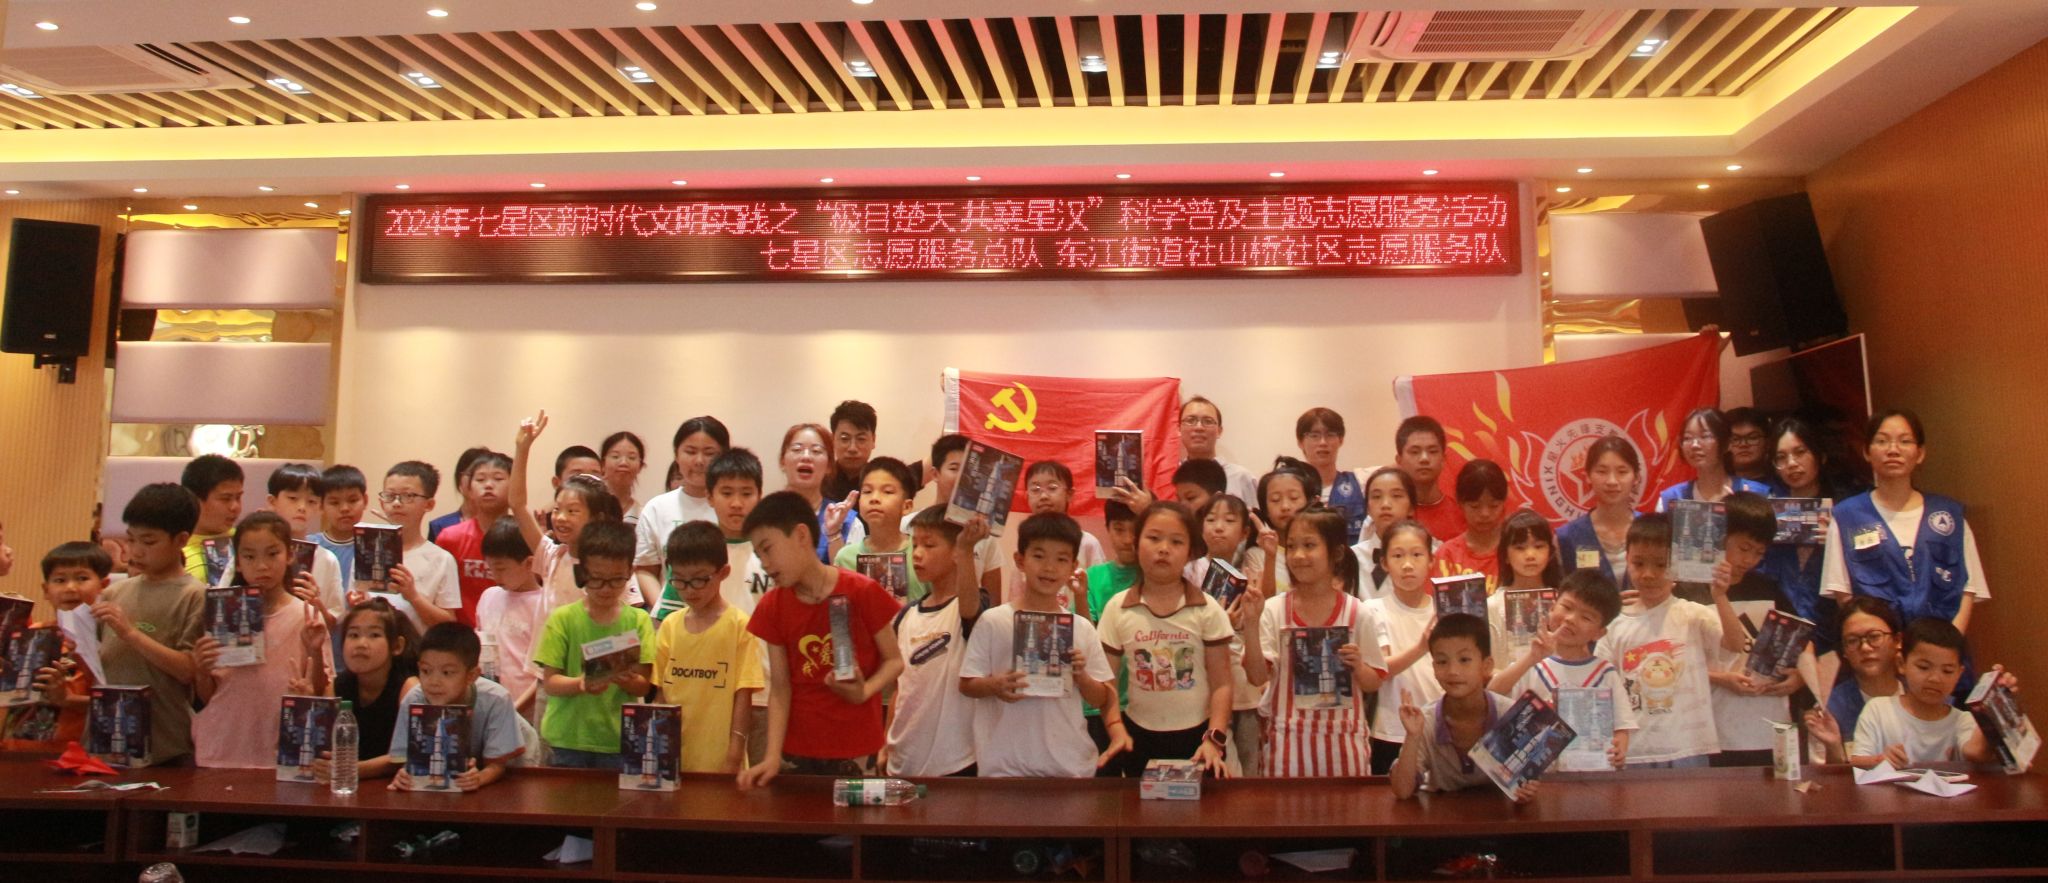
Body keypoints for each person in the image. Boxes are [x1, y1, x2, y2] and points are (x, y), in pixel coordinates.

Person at [736, 491, 904, 787]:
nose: (765, 564)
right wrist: (772, 756)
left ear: (801, 535)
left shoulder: (861, 591)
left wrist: (864, 691)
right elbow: (780, 687)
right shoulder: (772, 605)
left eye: (768, 549)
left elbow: (894, 661)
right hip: (797, 750)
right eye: (759, 556)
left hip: (857, 745)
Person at [959, 512, 1126, 778]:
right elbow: (967, 684)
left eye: (1061, 559)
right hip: (1004, 768)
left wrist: (1081, 676)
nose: (1049, 568)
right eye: (1039, 556)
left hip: (1070, 767)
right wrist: (995, 685)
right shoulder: (993, 620)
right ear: (1020, 560)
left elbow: (1101, 698)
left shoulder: (1081, 628)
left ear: (1073, 567)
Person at [1595, 514, 1750, 767]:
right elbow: (1602, 687)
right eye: (1638, 563)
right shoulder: (1615, 625)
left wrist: (1720, 596)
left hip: (1688, 747)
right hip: (1634, 750)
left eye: (1660, 565)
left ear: (1678, 565)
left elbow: (1735, 644)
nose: (1648, 574)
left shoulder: (1692, 614)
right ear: (1627, 561)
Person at [1242, 506, 1384, 776]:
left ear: (1337, 553)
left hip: (1345, 749)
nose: (1298, 556)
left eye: (1309, 545)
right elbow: (1256, 676)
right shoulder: (1273, 609)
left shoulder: (1358, 613)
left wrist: (1358, 666)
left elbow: (1374, 681)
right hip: (1287, 748)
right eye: (1291, 546)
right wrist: (1250, 623)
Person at [1096, 502, 1235, 777]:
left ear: (1190, 552)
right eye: (1153, 538)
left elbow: (1222, 684)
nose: (1163, 548)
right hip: (1138, 737)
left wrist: (1213, 739)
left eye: (1176, 541)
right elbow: (1106, 681)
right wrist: (1116, 729)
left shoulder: (1207, 609)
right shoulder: (1117, 608)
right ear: (1136, 543)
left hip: (1199, 740)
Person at [1821, 408, 1987, 635]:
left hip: (1941, 646)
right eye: (1882, 441)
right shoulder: (1846, 517)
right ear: (1867, 452)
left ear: (1920, 453)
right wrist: (1882, 643)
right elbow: (1843, 593)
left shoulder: (1949, 516)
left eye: (1905, 441)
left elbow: (1969, 588)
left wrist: (1945, 646)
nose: (1893, 450)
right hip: (1878, 648)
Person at [192, 512, 333, 768]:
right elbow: (210, 693)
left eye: (272, 554)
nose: (262, 566)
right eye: (249, 556)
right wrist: (201, 669)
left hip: (280, 751)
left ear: (289, 555)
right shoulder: (222, 612)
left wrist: (314, 652)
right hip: (222, 747)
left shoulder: (306, 615)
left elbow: (321, 690)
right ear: (237, 562)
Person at [1688, 492, 1808, 767]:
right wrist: (1721, 678)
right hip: (1714, 729)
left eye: (1759, 552)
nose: (1750, 559)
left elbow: (1802, 641)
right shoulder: (1689, 591)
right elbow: (1676, 663)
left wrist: (1799, 677)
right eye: (1744, 549)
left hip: (1770, 724)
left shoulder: (1767, 588)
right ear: (1720, 538)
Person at [93, 483, 206, 766]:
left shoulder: (195, 595)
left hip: (166, 743)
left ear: (181, 540)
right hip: (108, 739)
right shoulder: (114, 593)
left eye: (149, 542)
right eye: (131, 540)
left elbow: (188, 670)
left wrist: (130, 633)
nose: (136, 551)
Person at [535, 521, 655, 770]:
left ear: (630, 572)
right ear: (582, 573)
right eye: (596, 580)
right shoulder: (563, 619)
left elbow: (644, 686)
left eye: (616, 580)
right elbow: (550, 682)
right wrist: (582, 684)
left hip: (617, 739)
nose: (606, 589)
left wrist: (624, 677)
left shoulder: (639, 620)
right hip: (567, 738)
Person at [1488, 569, 1636, 770]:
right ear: (1551, 607)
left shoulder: (1605, 673)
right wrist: (1531, 658)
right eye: (1567, 607)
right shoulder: (1531, 664)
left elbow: (1621, 726)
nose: (1571, 619)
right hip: (1535, 778)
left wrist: (1619, 749)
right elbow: (1491, 693)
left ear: (1599, 633)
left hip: (1589, 776)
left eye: (1586, 617)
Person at [652, 521, 764, 774]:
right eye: (680, 581)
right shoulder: (670, 626)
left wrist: (734, 755)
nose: (689, 590)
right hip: (673, 757)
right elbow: (661, 695)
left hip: (720, 759)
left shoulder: (739, 626)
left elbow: (743, 697)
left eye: (699, 580)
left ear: (723, 572)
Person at [884, 507, 989, 777]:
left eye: (929, 545)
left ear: (956, 552)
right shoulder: (906, 616)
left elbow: (970, 607)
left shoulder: (969, 607)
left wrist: (966, 550)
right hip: (902, 758)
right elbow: (900, 688)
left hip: (954, 762)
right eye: (914, 545)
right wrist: (885, 743)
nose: (917, 554)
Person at [1388, 613, 1535, 802]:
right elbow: (1402, 791)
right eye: (1442, 661)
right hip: (1441, 816)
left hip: (1501, 816)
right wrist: (1413, 736)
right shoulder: (1425, 721)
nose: (1452, 671)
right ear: (1434, 667)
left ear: (1486, 665)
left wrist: (1526, 790)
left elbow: (1525, 782)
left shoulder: (1511, 715)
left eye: (1464, 660)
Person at [510, 412, 640, 611]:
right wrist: (522, 449)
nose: (560, 518)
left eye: (572, 511)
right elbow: (517, 504)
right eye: (557, 509)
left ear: (597, 518)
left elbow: (626, 616)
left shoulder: (612, 565)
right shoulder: (552, 557)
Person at [1842, 619, 2013, 768]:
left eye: (1947, 671)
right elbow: (1856, 761)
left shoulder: (1962, 721)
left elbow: (1976, 753)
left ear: (1959, 674)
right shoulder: (1878, 710)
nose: (1935, 678)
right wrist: (1879, 760)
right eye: (1923, 667)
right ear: (1901, 663)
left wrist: (1994, 700)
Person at [1763, 417, 1853, 687]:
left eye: (1800, 452)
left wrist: (1838, 545)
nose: (1791, 463)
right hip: (1777, 653)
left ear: (1819, 456)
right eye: (1781, 457)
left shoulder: (1847, 515)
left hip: (1836, 655)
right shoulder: (1767, 518)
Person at [386, 623, 529, 791]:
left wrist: (479, 778)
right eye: (426, 671)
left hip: (508, 779)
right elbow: (404, 760)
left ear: (471, 675)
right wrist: (404, 775)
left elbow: (498, 765)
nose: (434, 682)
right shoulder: (413, 700)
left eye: (447, 673)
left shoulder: (496, 699)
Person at [2, 542, 113, 751]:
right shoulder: (30, 635)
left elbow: (119, 704)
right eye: (60, 580)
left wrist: (67, 699)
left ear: (104, 585)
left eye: (82, 578)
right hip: (14, 750)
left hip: (75, 755)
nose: (70, 588)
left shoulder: (111, 640)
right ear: (46, 590)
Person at [1186, 494, 1265, 774]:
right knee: (1215, 760)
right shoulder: (1190, 571)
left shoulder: (1251, 571)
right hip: (1207, 681)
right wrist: (1220, 624)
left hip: (1244, 683)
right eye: (1210, 520)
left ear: (1244, 532)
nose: (1218, 527)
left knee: (1249, 758)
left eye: (1229, 521)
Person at [308, 598, 419, 784]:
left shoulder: (410, 689)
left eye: (374, 635)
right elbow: (323, 745)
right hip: (346, 787)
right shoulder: (337, 686)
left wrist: (352, 769)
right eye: (353, 635)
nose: (361, 644)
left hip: (395, 789)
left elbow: (409, 753)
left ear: (397, 646)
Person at [1365, 520, 1439, 774]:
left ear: (1431, 560)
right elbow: (1379, 670)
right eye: (1397, 556)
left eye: (1417, 555)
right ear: (1384, 563)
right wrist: (1421, 648)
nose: (1407, 565)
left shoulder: (1443, 609)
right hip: (1391, 730)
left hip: (1441, 727)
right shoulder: (1373, 610)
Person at [634, 416, 730, 603]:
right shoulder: (657, 508)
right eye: (690, 451)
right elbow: (645, 569)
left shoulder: (735, 507)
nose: (699, 461)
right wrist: (663, 609)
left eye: (709, 453)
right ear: (676, 455)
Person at [1802, 596, 1904, 763]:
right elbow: (1821, 777)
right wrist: (1835, 749)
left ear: (1897, 640)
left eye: (1874, 636)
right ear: (1844, 651)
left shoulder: (1921, 696)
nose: (1865, 647)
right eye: (1852, 641)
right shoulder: (1828, 708)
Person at [363, 461, 462, 632]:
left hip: (418, 647)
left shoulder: (441, 560)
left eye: (408, 496)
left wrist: (413, 596)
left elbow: (448, 624)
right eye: (390, 496)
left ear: (429, 504)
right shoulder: (366, 551)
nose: (396, 503)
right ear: (381, 502)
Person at [1000, 461, 1106, 608]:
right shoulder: (1025, 546)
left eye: (1052, 488)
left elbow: (1098, 594)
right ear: (1027, 496)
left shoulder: (1088, 543)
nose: (1043, 496)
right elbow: (1016, 597)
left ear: (1069, 494)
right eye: (1035, 489)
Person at [262, 463, 347, 641]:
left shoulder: (326, 559)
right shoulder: (253, 551)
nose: (302, 507)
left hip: (308, 648)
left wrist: (316, 603)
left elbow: (333, 623)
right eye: (293, 498)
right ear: (272, 502)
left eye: (311, 501)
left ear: (320, 508)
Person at [474, 518, 546, 721]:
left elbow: (544, 673)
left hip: (526, 712)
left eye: (501, 569)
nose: (495, 576)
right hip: (489, 706)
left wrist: (515, 709)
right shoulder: (488, 597)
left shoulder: (544, 605)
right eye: (490, 568)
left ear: (529, 563)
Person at [1082, 500, 1141, 751]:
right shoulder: (1092, 577)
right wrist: (1079, 596)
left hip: (1145, 705)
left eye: (1135, 530)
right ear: (1107, 529)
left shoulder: (1158, 577)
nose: (1128, 539)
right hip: (1100, 702)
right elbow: (1085, 637)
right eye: (1119, 529)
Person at [432, 450, 512, 628]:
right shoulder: (450, 538)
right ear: (468, 489)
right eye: (480, 479)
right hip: (462, 634)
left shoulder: (525, 536)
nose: (488, 485)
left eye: (498, 478)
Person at [833, 457, 930, 603]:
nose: (874, 498)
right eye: (867, 491)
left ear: (907, 506)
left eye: (887, 492)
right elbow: (839, 611)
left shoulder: (922, 554)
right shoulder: (845, 557)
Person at [1558, 436, 1641, 585]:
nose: (1612, 481)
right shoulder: (1566, 537)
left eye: (1622, 472)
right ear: (1587, 476)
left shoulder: (1654, 530)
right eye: (1602, 472)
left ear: (1636, 477)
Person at [778, 423, 866, 564]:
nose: (806, 457)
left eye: (816, 451)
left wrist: (834, 534)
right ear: (782, 461)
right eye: (797, 449)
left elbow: (853, 576)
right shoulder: (763, 516)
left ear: (829, 466)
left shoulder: (848, 523)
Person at [1657, 408, 1773, 509]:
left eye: (1705, 436)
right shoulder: (1671, 498)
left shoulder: (1757, 494)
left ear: (1727, 443)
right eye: (1687, 438)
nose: (1694, 445)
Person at [1486, 509, 1563, 654]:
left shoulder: (1563, 603)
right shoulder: (1492, 606)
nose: (1530, 555)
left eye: (1539, 546)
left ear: (1550, 552)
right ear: (1505, 555)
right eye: (1520, 548)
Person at [1294, 408, 1372, 545]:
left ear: (1341, 440)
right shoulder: (1291, 491)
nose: (1323, 442)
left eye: (1330, 435)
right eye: (1314, 435)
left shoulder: (1361, 482)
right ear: (1300, 442)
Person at [1432, 460, 1510, 591]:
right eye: (1475, 506)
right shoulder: (1447, 554)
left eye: (1494, 505)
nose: (1485, 514)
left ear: (1504, 502)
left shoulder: (1514, 551)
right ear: (1460, 503)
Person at [1395, 416, 1466, 543]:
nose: (1424, 458)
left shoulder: (1463, 514)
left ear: (1443, 459)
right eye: (1415, 452)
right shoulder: (1392, 514)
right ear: (1399, 460)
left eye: (1432, 451)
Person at [1255, 459, 1321, 595]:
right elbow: (1262, 602)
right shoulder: (1256, 555)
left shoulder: (1323, 548)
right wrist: (1270, 556)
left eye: (1294, 498)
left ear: (1311, 502)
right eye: (1275, 500)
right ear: (1265, 509)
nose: (1285, 506)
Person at [1178, 396, 1261, 504]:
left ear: (1219, 431)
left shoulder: (1241, 478)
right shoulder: (1167, 477)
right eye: (1190, 420)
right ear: (1179, 428)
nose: (1199, 427)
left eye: (1208, 421)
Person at [1349, 466, 1415, 600]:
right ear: (1367, 508)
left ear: (1411, 507)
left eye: (1396, 496)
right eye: (1376, 497)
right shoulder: (1352, 559)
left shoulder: (1431, 554)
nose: (1385, 504)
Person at [179, 454, 244, 584]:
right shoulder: (175, 550)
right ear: (195, 500)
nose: (235, 507)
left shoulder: (246, 540)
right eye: (225, 499)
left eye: (238, 498)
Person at [315, 464, 370, 595]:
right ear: (321, 505)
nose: (344, 508)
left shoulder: (374, 545)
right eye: (334, 503)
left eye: (353, 500)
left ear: (365, 500)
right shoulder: (312, 546)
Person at [426, 446, 492, 543]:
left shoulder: (508, 526)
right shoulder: (440, 526)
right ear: (459, 479)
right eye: (472, 474)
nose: (487, 484)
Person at [823, 400, 880, 502]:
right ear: (832, 440)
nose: (852, 448)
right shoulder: (820, 480)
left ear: (873, 440)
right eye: (845, 439)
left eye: (861, 439)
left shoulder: (883, 482)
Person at [599, 431, 648, 526]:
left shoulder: (644, 516)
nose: (623, 463)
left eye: (631, 457)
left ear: (640, 466)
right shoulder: (590, 509)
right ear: (603, 464)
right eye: (615, 456)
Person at [1724, 407, 1777, 489]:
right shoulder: (1719, 487)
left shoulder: (1785, 485)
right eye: (1735, 439)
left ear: (1767, 443)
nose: (1743, 444)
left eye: (1752, 438)